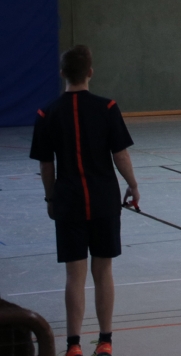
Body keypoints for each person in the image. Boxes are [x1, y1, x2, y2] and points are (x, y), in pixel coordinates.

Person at [29, 46, 139, 356]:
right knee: (103, 272)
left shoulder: (46, 113)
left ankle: (74, 345)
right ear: (90, 72)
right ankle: (105, 342)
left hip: (69, 202)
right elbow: (120, 154)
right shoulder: (108, 108)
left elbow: (46, 165)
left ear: (62, 73)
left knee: (74, 276)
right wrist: (133, 185)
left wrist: (51, 197)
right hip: (104, 200)